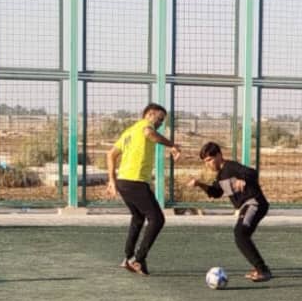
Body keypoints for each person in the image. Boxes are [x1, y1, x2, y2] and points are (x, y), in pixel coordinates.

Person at [105, 103, 182, 275]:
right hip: (136, 181)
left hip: (124, 181)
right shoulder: (145, 127)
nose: (160, 123)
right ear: (149, 114)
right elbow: (149, 133)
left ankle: (128, 257)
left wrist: (112, 180)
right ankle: (138, 259)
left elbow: (110, 154)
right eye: (159, 119)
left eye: (162, 121)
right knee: (157, 219)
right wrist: (172, 145)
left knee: (138, 217)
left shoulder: (129, 131)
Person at [187, 142, 273, 282]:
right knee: (242, 235)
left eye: (210, 159)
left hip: (254, 203)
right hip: (247, 206)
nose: (208, 164)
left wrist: (243, 179)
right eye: (205, 162)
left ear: (219, 155)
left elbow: (252, 173)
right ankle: (260, 268)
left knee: (240, 234)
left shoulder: (231, 167)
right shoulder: (221, 175)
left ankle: (263, 270)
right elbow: (216, 193)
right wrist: (199, 184)